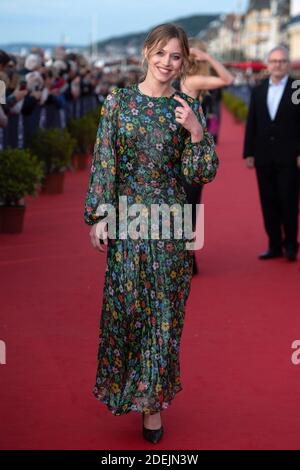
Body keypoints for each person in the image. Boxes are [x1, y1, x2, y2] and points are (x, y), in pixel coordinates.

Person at [84, 23, 219, 444]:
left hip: (170, 227)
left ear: (183, 62)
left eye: (175, 56)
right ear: (146, 53)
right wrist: (99, 216)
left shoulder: (184, 107)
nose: (166, 62)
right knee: (128, 314)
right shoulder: (118, 103)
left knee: (163, 319)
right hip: (127, 224)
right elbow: (104, 160)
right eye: (160, 53)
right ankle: (131, 390)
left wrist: (197, 132)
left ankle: (152, 408)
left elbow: (201, 172)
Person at [178, 39, 233, 274]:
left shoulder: (182, 81)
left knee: (185, 207)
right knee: (189, 207)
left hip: (184, 153)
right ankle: (187, 260)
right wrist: (209, 58)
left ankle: (185, 259)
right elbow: (228, 79)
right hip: (190, 155)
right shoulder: (191, 81)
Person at [243, 46, 300, 261]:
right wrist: (248, 152)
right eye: (274, 61)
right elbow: (252, 122)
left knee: (289, 202)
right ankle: (274, 245)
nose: (278, 65)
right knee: (268, 202)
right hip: (263, 156)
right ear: (268, 64)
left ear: (288, 64)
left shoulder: (297, 88)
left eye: (282, 61)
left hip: (289, 156)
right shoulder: (258, 89)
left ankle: (291, 246)